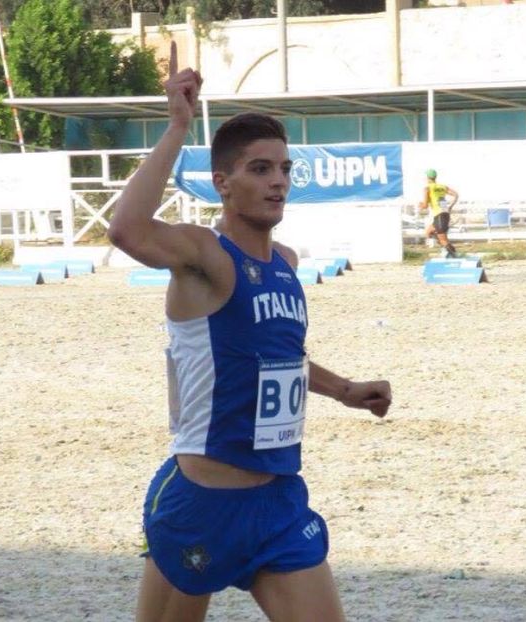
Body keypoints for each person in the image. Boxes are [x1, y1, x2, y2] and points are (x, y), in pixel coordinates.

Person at [108, 42, 393, 622]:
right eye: (260, 169)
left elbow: (276, 358)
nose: (278, 182)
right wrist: (178, 127)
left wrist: (344, 389)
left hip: (278, 501)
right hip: (203, 502)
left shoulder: (286, 262)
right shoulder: (204, 255)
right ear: (223, 183)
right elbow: (126, 230)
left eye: (285, 169)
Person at [419, 168, 459, 258]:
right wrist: (450, 206)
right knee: (429, 232)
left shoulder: (427, 188)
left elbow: (425, 206)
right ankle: (447, 248)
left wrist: (420, 205)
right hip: (445, 213)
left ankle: (455, 256)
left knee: (443, 240)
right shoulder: (442, 187)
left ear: (427, 178)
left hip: (439, 215)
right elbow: (456, 195)